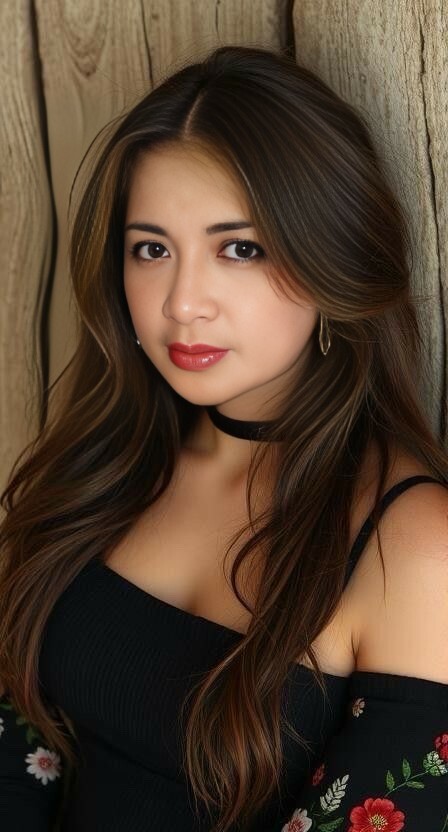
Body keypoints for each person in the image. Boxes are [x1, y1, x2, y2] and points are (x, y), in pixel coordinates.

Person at [0, 43, 447, 832]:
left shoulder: (413, 545)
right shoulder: (110, 464)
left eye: (239, 248)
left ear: (332, 258)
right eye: (152, 249)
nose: (182, 302)